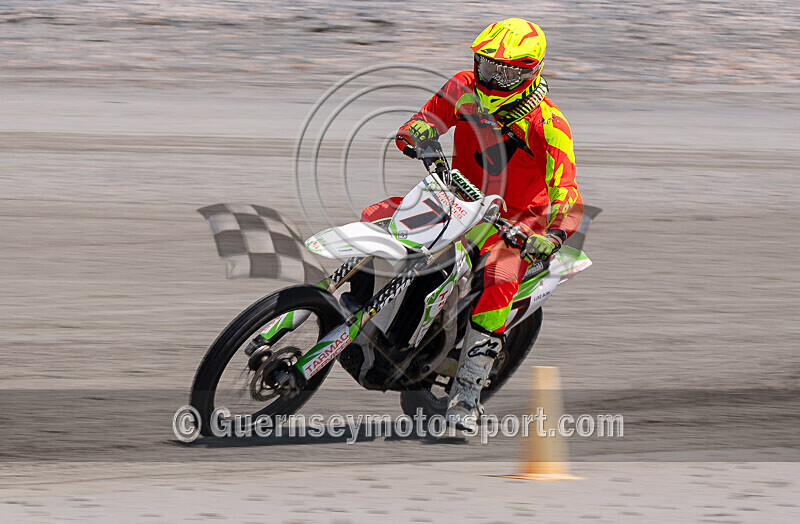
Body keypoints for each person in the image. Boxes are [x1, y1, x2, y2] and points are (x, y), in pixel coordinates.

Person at [395, 18, 583, 430]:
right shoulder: (462, 86)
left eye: (507, 71)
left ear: (532, 71)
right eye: (488, 66)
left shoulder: (549, 126)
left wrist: (551, 236)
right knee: (378, 217)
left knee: (500, 279)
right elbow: (421, 121)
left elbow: (568, 195)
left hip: (514, 222)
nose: (494, 79)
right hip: (454, 197)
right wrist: (415, 135)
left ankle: (465, 396)